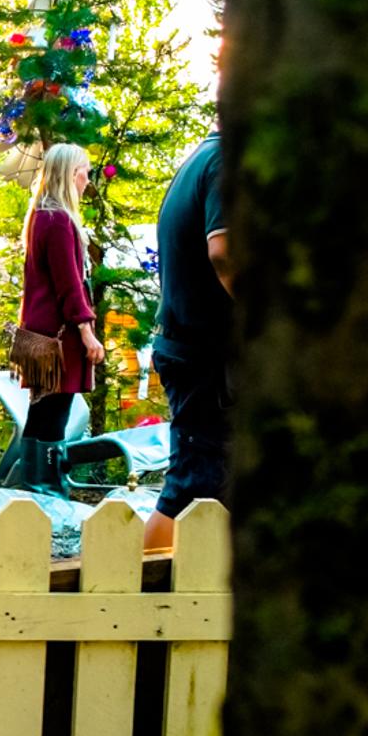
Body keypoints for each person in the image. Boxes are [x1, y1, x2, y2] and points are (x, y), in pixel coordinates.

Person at [144, 129, 231, 551]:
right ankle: (137, 601)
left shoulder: (205, 155)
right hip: (207, 356)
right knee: (192, 487)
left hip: (194, 349)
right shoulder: (229, 160)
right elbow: (226, 252)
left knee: (208, 481)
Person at [6, 142, 106, 490]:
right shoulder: (60, 220)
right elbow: (68, 285)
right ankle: (46, 492)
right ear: (70, 173)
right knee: (53, 417)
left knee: (41, 414)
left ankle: (33, 490)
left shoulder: (38, 216)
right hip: (59, 340)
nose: (87, 179)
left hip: (39, 335)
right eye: (85, 172)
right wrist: (87, 332)